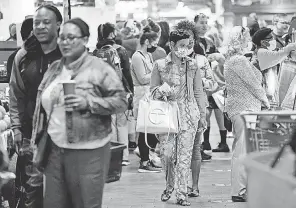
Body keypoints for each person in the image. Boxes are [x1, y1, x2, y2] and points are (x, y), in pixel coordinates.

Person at [31, 17, 127, 208]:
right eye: (62, 37)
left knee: (85, 203)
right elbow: (41, 108)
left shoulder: (99, 68)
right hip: (54, 149)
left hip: (88, 150)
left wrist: (88, 102)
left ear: (84, 40)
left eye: (71, 37)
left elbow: (121, 101)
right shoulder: (54, 69)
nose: (65, 42)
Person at [9, 4, 63, 207]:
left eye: (46, 22)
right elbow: (16, 94)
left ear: (59, 24)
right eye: (36, 23)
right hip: (31, 136)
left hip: (65, 137)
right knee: (34, 192)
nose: (40, 27)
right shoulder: (24, 56)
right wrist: (15, 128)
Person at [151, 29, 206, 206]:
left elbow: (198, 91)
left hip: (189, 114)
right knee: (166, 155)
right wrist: (164, 89)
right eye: (181, 45)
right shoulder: (159, 65)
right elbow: (152, 92)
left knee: (184, 157)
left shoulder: (193, 65)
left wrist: (203, 116)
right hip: (166, 115)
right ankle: (169, 186)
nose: (185, 49)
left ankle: (182, 193)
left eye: (188, 45)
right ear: (172, 45)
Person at [224, 26, 270, 202]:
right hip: (244, 109)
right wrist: (266, 101)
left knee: (244, 150)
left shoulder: (237, 60)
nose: (249, 39)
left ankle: (242, 189)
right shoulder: (238, 61)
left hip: (244, 109)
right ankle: (238, 191)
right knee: (242, 151)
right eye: (246, 36)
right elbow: (254, 84)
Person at [175, 20, 215, 198]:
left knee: (195, 149)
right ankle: (177, 186)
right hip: (175, 110)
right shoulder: (169, 60)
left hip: (196, 108)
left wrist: (198, 80)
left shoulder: (201, 60)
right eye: (183, 37)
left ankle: (195, 186)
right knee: (175, 151)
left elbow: (212, 83)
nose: (187, 41)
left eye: (190, 37)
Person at [94, 22, 134, 166]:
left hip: (103, 93)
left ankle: (112, 156)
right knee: (122, 124)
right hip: (119, 92)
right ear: (112, 34)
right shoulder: (120, 50)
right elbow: (127, 74)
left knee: (109, 124)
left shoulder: (95, 52)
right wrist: (131, 92)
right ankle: (123, 156)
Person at [194, 13, 229, 155]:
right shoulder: (191, 41)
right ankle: (204, 143)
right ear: (194, 23)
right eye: (201, 22)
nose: (204, 25)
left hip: (211, 82)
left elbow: (220, 59)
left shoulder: (209, 41)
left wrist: (219, 58)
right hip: (198, 82)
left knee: (219, 111)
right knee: (205, 113)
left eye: (205, 22)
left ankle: (222, 142)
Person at [131, 25, 162, 173]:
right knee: (144, 129)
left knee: (152, 128)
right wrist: (157, 74)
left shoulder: (148, 56)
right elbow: (142, 78)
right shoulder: (137, 56)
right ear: (147, 42)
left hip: (150, 94)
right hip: (141, 95)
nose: (156, 45)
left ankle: (148, 157)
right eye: (154, 42)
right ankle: (144, 162)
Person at [252, 28, 296, 106]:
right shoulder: (261, 53)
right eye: (270, 38)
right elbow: (278, 55)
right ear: (263, 42)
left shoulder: (264, 52)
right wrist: (290, 47)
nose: (273, 40)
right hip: (263, 99)